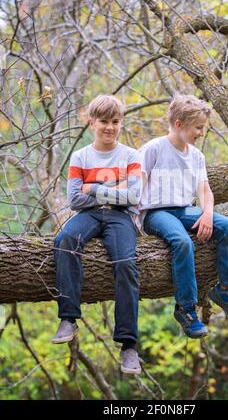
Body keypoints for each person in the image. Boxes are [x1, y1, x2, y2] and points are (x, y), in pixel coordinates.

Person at [138, 93, 228, 339]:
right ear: (179, 124)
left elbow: (205, 191)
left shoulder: (196, 156)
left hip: (184, 209)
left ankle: (227, 290)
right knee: (182, 242)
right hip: (156, 212)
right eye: (198, 127)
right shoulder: (153, 149)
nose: (201, 132)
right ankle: (186, 309)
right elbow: (136, 188)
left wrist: (208, 213)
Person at [52, 94, 142, 374]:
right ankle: (68, 317)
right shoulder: (81, 156)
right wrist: (116, 190)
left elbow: (134, 196)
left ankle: (128, 345)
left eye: (115, 122)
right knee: (64, 241)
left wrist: (95, 189)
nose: (110, 127)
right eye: (104, 121)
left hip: (120, 218)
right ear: (92, 122)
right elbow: (75, 201)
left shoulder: (130, 155)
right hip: (88, 216)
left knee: (125, 263)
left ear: (121, 123)